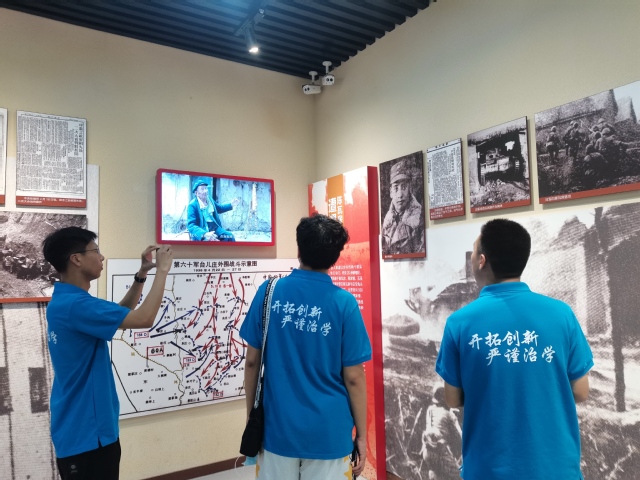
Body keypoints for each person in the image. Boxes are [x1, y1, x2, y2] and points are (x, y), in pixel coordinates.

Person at [435, 219, 593, 480]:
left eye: (474, 251)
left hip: (488, 471)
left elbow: (452, 399)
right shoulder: (562, 314)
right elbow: (580, 391)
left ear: (482, 261)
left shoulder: (459, 323)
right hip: (555, 470)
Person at [240, 214, 371, 479]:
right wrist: (362, 436)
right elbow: (354, 378)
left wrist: (251, 415)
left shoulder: (268, 293)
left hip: (277, 430)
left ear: (299, 249)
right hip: (330, 433)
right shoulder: (344, 303)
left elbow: (252, 362)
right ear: (335, 257)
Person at [42, 227, 173, 480]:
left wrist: (142, 274)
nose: (101, 257)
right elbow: (144, 319)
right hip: (87, 436)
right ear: (76, 259)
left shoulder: (68, 301)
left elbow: (121, 315)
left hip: (85, 430)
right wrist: (163, 270)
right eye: (96, 251)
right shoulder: (77, 305)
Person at [381, 159, 425, 256]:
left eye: (404, 187)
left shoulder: (419, 221)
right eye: (396, 188)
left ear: (410, 189)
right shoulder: (386, 224)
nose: (400, 194)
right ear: (391, 192)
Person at [420, 385, 462, 480]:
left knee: (437, 474)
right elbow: (460, 437)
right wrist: (454, 419)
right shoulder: (449, 415)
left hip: (427, 452)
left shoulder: (430, 410)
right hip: (441, 453)